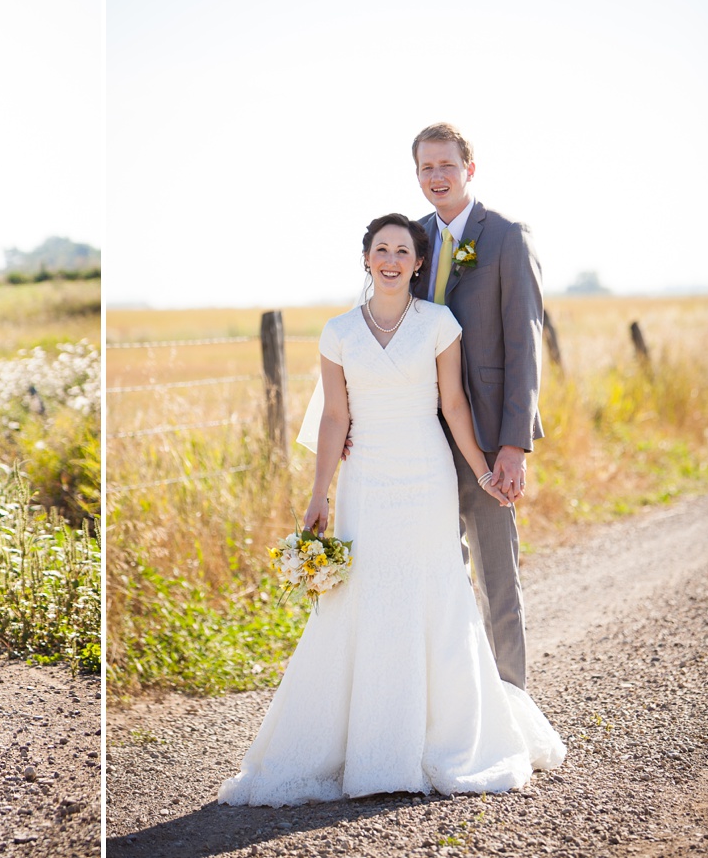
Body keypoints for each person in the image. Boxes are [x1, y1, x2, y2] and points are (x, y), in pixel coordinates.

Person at [216, 214, 563, 806]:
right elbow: (333, 418)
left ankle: (443, 737)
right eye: (382, 249)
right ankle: (366, 741)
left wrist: (482, 471)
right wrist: (319, 491)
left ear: (418, 263)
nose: (393, 259)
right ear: (366, 259)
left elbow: (453, 406)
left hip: (426, 477)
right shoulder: (338, 333)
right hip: (366, 482)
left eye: (404, 250)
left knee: (435, 594)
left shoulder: (440, 324)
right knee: (365, 596)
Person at [411, 122, 545, 690]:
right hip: (418, 437)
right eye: (426, 168)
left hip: (489, 436)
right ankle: (452, 707)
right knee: (437, 578)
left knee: (496, 578)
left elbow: (525, 342)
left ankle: (512, 706)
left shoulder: (507, 236)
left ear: (470, 169)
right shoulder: (407, 240)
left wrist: (514, 444)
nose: (437, 177)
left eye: (446, 165)